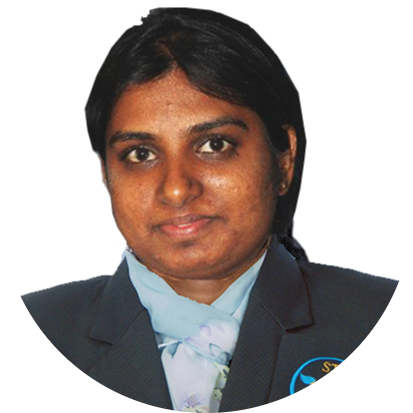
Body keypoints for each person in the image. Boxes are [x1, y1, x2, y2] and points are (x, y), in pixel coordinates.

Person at [22, 7, 398, 410]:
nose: (176, 189)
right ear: (107, 173)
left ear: (284, 159)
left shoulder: (372, 315)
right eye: (141, 153)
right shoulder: (43, 325)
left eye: (214, 145)